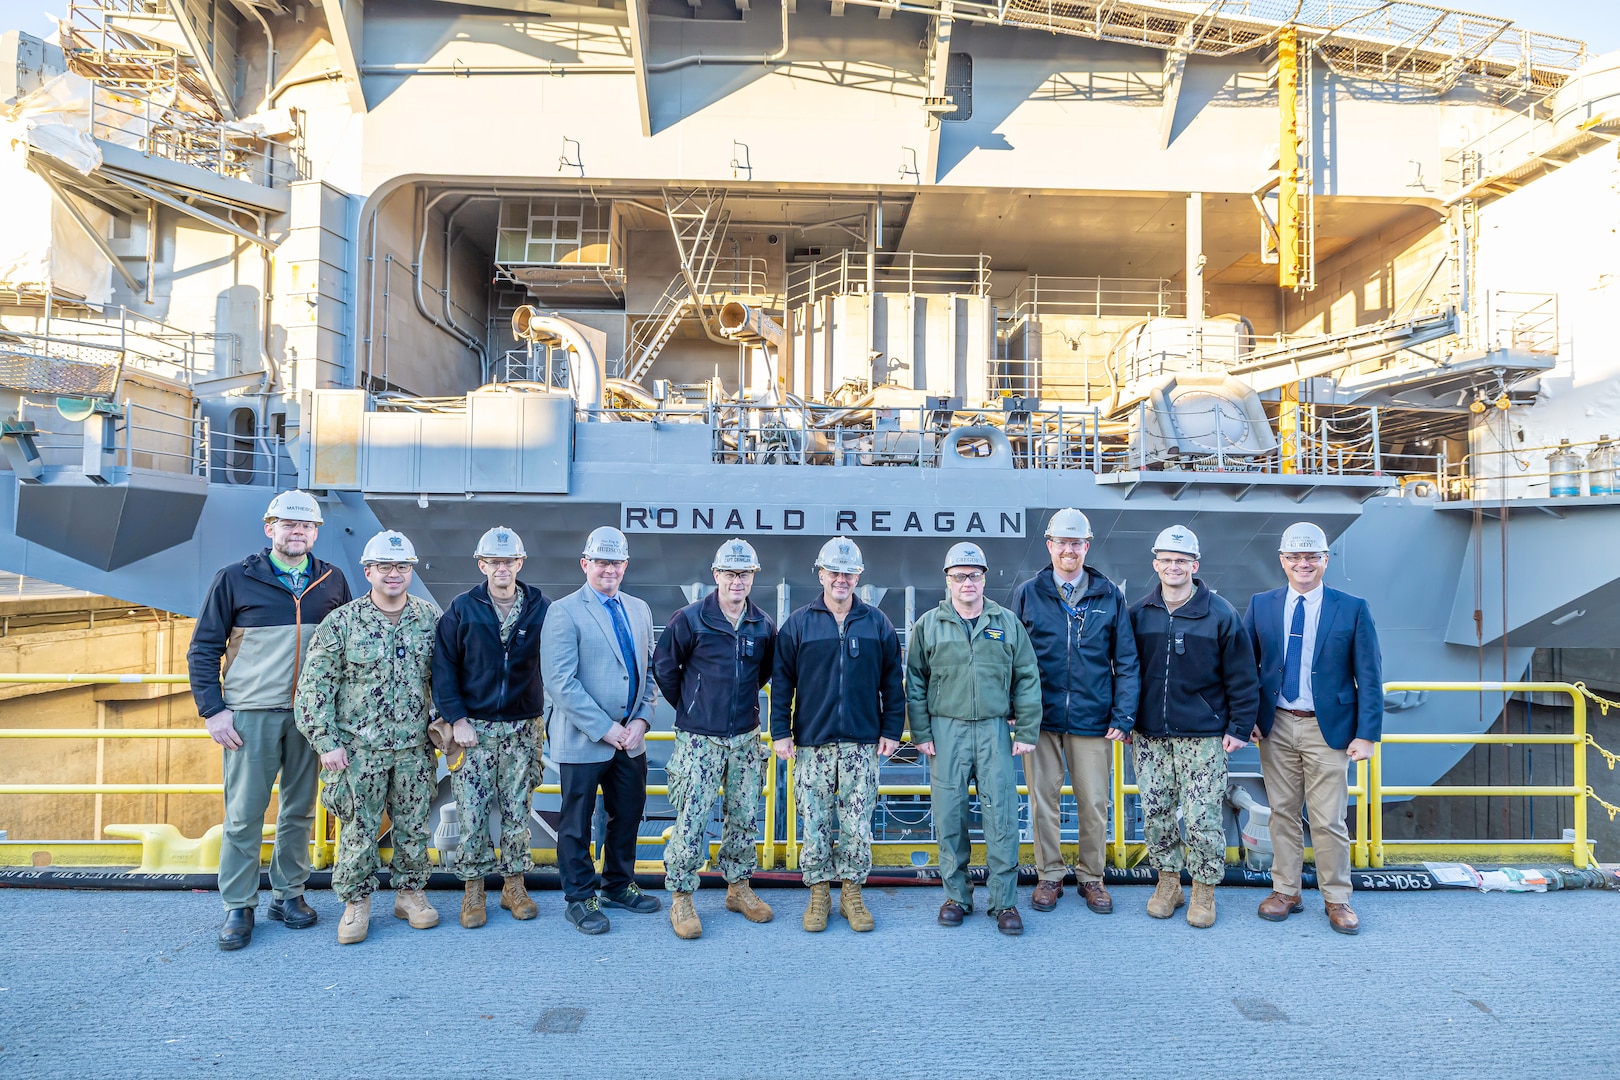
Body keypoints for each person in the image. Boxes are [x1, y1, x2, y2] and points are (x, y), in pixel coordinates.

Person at [187, 489, 352, 951]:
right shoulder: (235, 580)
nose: (297, 532)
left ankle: (289, 894)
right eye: (288, 524)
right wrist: (214, 710)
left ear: (316, 532)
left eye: (305, 526)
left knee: (299, 810)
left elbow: (347, 650)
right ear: (270, 529)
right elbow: (203, 649)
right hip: (250, 714)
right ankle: (239, 905)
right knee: (244, 814)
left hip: (311, 718)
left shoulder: (332, 582)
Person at [295, 530, 442, 944]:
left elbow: (446, 678)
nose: (393, 574)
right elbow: (314, 687)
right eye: (384, 567)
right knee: (357, 829)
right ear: (368, 572)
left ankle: (410, 894)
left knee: (413, 826)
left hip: (414, 748)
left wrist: (444, 724)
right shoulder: (342, 623)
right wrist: (326, 742)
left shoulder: (429, 618)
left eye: (401, 567)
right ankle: (356, 903)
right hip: (358, 751)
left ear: (410, 571)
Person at [1244, 521, 1383, 935]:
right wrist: (1247, 718)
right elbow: (1245, 670)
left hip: (1330, 729)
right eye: (1294, 557)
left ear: (1325, 560)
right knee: (1282, 813)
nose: (1303, 564)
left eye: (1311, 557)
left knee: (1328, 820)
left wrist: (1367, 733)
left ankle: (1337, 899)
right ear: (1282, 561)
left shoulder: (1352, 607)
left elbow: (1370, 676)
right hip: (1277, 725)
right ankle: (1285, 890)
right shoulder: (1261, 604)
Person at [906, 542, 1042, 936]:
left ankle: (1004, 903)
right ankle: (956, 896)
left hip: (994, 729)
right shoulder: (929, 624)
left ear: (985, 578)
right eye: (959, 576)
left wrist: (1027, 730)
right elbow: (915, 680)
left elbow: (1027, 676)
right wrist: (922, 733)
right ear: (947, 580)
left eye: (974, 575)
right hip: (945, 730)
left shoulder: (1006, 622)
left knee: (1001, 816)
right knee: (950, 815)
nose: (968, 582)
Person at [770, 536, 904, 934]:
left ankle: (851, 893)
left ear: (858, 576)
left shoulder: (877, 623)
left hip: (862, 743)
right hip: (813, 742)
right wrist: (780, 732)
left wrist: (891, 730)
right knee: (813, 821)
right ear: (821, 573)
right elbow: (782, 683)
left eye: (848, 572)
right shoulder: (798, 624)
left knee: (857, 822)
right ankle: (818, 894)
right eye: (834, 572)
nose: (841, 579)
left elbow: (891, 683)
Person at [1010, 507, 1138, 917]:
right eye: (1061, 542)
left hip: (1093, 718)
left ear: (1087, 546)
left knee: (1094, 802)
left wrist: (1123, 716)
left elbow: (1127, 661)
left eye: (1075, 543)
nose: (1068, 550)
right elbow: (1011, 656)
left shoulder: (1109, 596)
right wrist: (1016, 710)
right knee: (1042, 801)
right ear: (1049, 545)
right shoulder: (1029, 593)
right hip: (1041, 719)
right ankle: (1049, 874)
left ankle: (1092, 878)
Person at [1129, 525, 1259, 929]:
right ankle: (1168, 883)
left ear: (1195, 565)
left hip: (1203, 735)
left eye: (1181, 561)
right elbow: (1125, 672)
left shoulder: (1220, 614)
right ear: (1155, 564)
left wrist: (1239, 726)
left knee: (1203, 815)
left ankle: (1204, 887)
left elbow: (1242, 675)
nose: (1173, 567)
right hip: (1149, 734)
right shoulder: (1138, 614)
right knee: (1156, 812)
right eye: (1166, 560)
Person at [652, 537, 778, 940]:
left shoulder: (762, 625)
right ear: (716, 575)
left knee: (743, 817)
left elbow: (762, 674)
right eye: (729, 573)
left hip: (745, 738)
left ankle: (738, 888)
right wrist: (695, 706)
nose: (736, 581)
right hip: (699, 741)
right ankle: (682, 897)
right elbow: (666, 670)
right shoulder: (689, 620)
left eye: (744, 573)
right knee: (692, 818)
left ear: (752, 577)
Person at [541, 525, 662, 935]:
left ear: (625, 565)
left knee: (626, 815)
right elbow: (560, 682)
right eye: (601, 562)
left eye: (616, 562)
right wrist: (607, 728)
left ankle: (617, 885)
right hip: (584, 737)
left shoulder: (640, 609)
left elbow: (650, 672)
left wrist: (642, 721)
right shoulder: (564, 611)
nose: (608, 569)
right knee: (575, 822)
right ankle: (579, 898)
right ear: (585, 564)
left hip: (632, 740)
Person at [432, 526, 550, 929]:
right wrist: (457, 718)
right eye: (494, 562)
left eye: (509, 561)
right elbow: (443, 668)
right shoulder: (462, 608)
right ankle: (473, 891)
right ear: (482, 564)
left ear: (520, 563)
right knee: (473, 813)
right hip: (474, 730)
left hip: (523, 727)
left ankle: (513, 886)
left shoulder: (540, 606)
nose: (502, 568)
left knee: (519, 810)